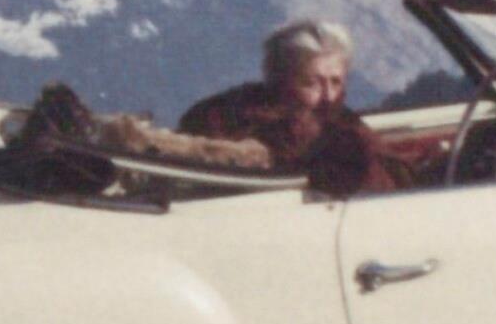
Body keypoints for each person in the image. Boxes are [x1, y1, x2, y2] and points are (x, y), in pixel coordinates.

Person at [163, 18, 408, 197]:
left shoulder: (346, 125)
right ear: (279, 82)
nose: (328, 96)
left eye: (336, 82)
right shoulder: (229, 120)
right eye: (311, 83)